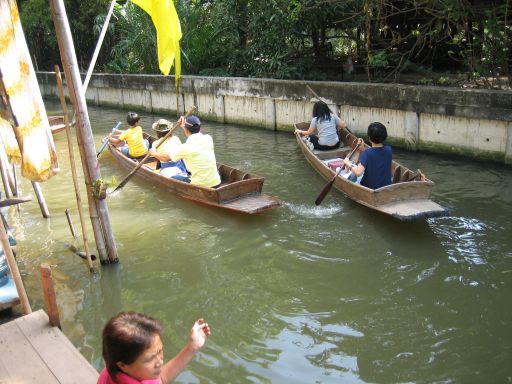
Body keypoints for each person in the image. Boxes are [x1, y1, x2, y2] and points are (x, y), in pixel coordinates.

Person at [98, 311, 211, 384]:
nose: (160, 362)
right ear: (123, 365)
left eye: (160, 351)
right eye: (149, 359)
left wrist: (192, 347)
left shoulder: (113, 370)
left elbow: (160, 379)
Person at [149, 115, 221, 188]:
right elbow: (194, 133)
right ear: (199, 128)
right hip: (217, 182)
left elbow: (166, 158)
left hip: (200, 185)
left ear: (186, 130)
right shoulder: (208, 138)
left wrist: (154, 153)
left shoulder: (185, 147)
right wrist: (184, 126)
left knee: (172, 177)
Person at [343, 122, 392, 189]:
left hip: (368, 187)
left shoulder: (367, 153)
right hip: (386, 187)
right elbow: (374, 153)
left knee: (353, 170)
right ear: (384, 136)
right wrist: (362, 148)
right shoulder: (389, 150)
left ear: (369, 138)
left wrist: (347, 163)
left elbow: (358, 173)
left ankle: (346, 175)